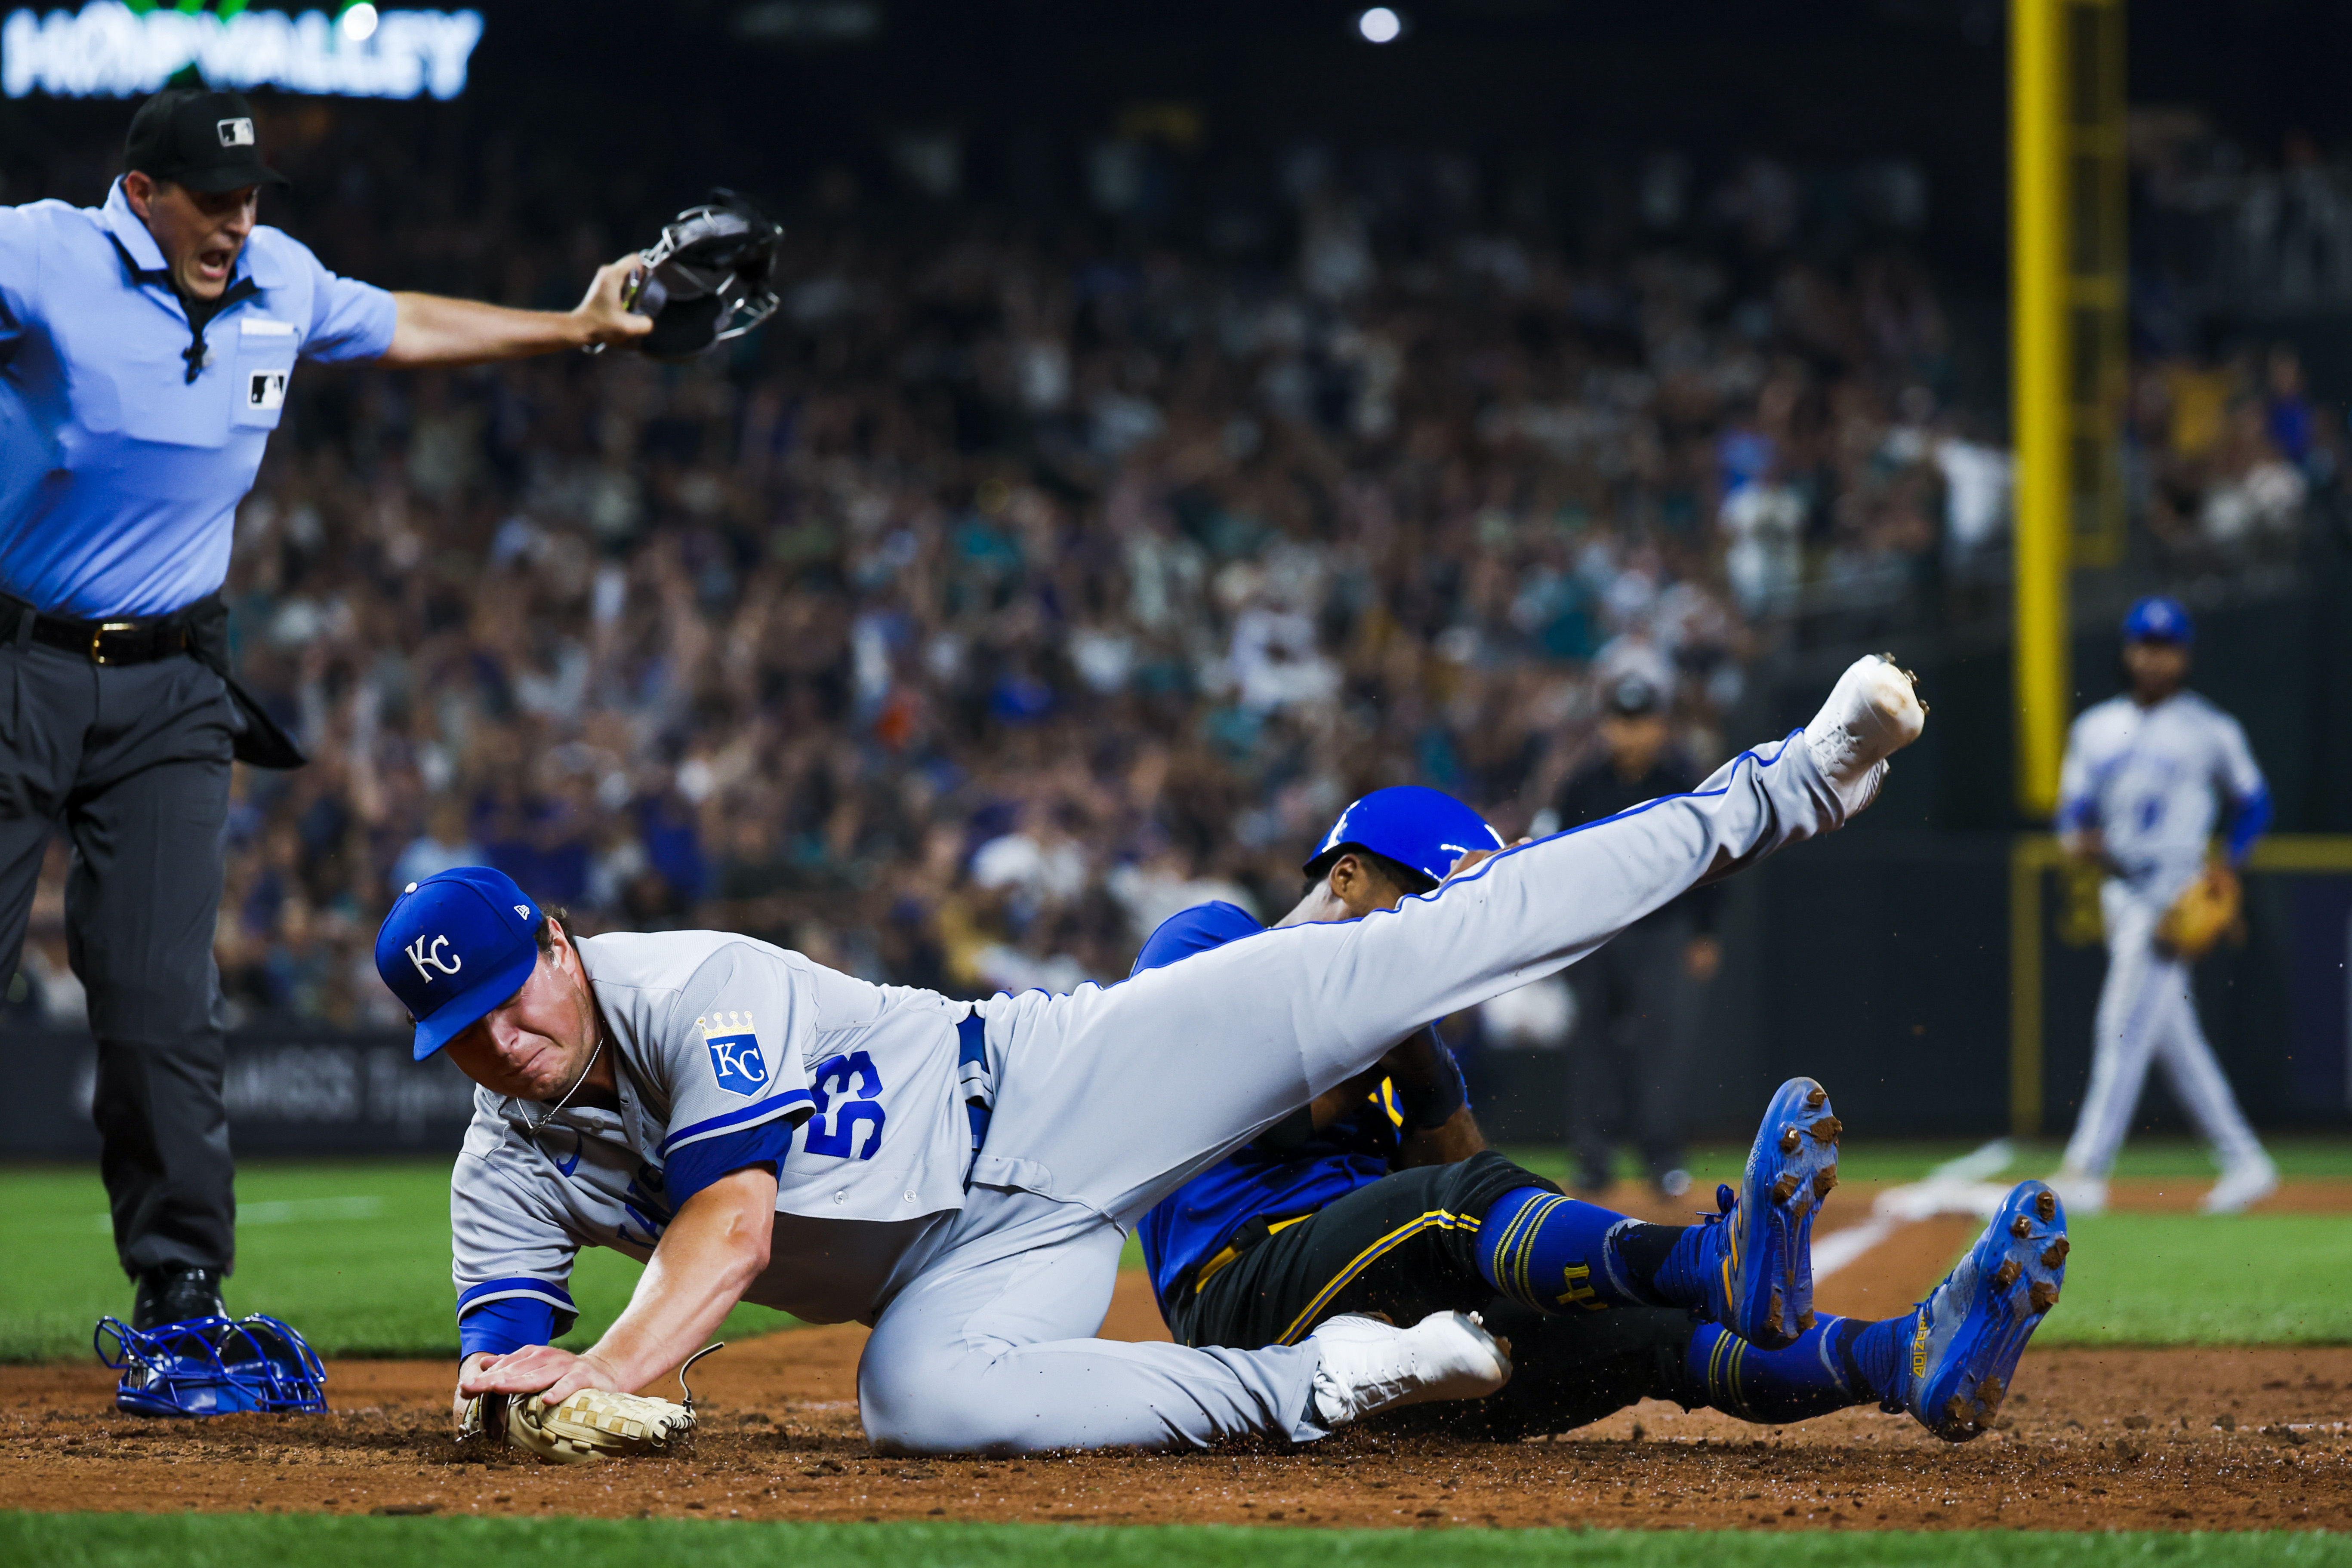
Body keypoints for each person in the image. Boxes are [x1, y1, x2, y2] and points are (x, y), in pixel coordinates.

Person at [383, 656, 1925, 1454]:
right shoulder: (500, 1160)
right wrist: (512, 1388)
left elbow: (732, 1228)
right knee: (917, 1410)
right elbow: (505, 1339)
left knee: (1410, 949)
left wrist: (602, 1369)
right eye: (468, 1038)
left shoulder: (691, 982)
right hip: (964, 1270)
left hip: (1057, 1079)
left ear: (563, 943)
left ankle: (1783, 787)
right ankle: (1326, 1378)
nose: (509, 1045)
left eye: (520, 996)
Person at [0, 88, 653, 1329]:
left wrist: (575, 327)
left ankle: (182, 1282)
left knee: (161, 992)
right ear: (143, 193)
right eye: (213, 196)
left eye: (250, 197)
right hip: (14, 660)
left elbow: (399, 321)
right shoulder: (39, 255)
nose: (237, 219)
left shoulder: (277, 281)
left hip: (174, 683)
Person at [1130, 788, 2070, 1445]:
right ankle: (1711, 1262)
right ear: (1345, 877)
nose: (1442, 942)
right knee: (1449, 1204)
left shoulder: (1405, 1034)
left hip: (1388, 1360)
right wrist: (1403, 1027)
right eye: (1426, 903)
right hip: (1241, 1302)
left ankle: (1903, 1359)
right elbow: (1285, 1111)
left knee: (1651, 1333)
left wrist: (1420, 1055)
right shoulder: (1208, 938)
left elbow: (1467, 1191)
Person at [2050, 597, 2278, 1216]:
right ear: (2128, 651)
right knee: (2175, 1041)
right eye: (2144, 645)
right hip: (2119, 887)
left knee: (2119, 1030)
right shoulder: (2094, 727)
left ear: (2183, 654)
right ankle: (2245, 1159)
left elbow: (2253, 803)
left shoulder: (2208, 727)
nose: (2153, 657)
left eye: (2165, 645)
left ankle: (2086, 1169)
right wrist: (2078, 836)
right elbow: (2072, 810)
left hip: (2174, 893)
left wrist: (2226, 862)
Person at [1550, 672, 1721, 1195]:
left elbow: (1709, 860)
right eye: (1621, 721)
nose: (1630, 732)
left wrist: (1704, 932)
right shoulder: (1581, 785)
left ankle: (1663, 1157)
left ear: (1659, 726)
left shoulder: (1679, 782)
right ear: (1605, 727)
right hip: (1597, 934)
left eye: (1640, 721)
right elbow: (1559, 863)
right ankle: (1593, 1160)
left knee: (1661, 1047)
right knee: (1594, 1048)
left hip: (1661, 930)